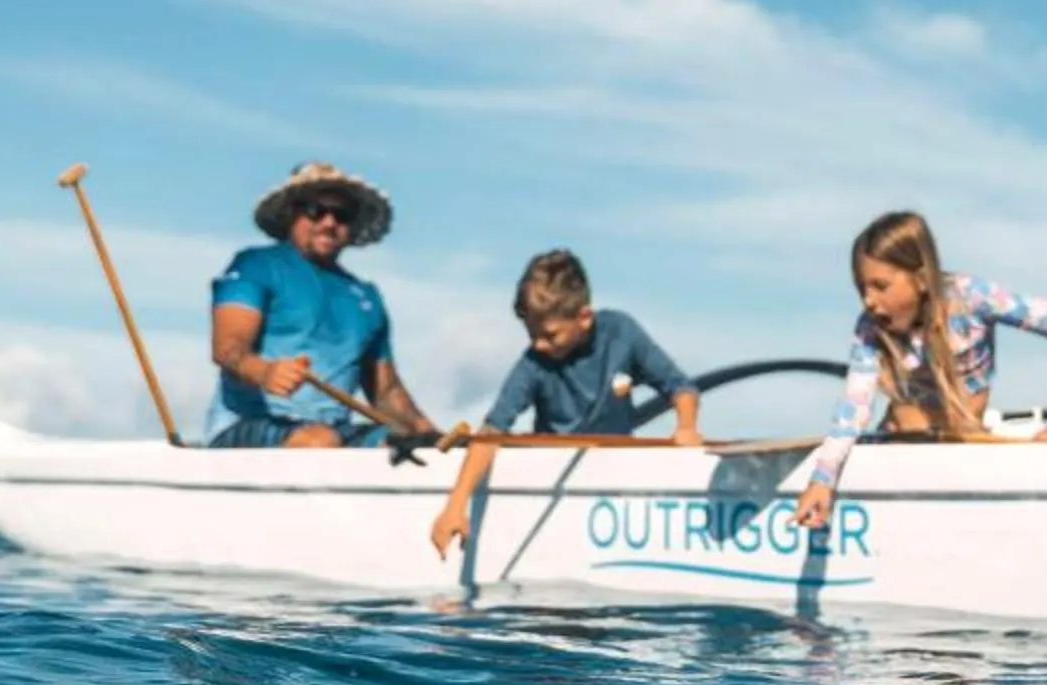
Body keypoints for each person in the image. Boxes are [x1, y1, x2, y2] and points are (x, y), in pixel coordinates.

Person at [791, 212, 1047, 533]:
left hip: (959, 442)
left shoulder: (972, 298)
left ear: (921, 279)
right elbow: (854, 405)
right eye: (862, 287)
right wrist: (822, 479)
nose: (868, 300)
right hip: (901, 446)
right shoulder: (870, 328)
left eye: (880, 286)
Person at [429, 252, 700, 559]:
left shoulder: (622, 332)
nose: (538, 345)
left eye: (549, 335)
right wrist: (455, 505)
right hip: (552, 482)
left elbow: (680, 387)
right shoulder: (534, 363)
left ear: (584, 317)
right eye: (531, 334)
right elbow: (491, 430)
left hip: (619, 483)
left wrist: (686, 427)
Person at [206, 162, 436, 448]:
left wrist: (429, 433)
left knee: (409, 448)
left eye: (342, 215)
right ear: (292, 213)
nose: (329, 222)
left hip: (333, 432)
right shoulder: (256, 265)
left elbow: (386, 391)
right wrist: (264, 372)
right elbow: (228, 349)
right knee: (320, 441)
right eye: (316, 211)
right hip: (248, 425)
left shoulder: (366, 297)